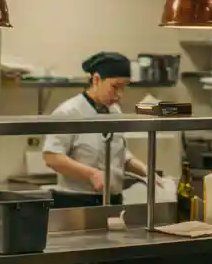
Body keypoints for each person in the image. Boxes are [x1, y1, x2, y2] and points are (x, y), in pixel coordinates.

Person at [42, 52, 149, 207]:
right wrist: (91, 174)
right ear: (96, 80)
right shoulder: (69, 112)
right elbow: (52, 157)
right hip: (76, 201)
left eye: (124, 87)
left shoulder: (115, 111)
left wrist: (146, 171)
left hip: (113, 200)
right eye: (115, 87)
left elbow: (119, 153)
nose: (120, 95)